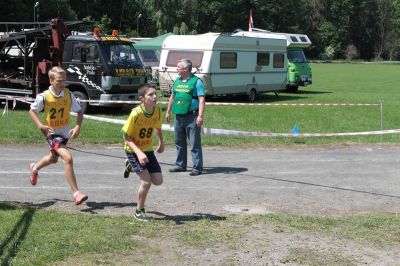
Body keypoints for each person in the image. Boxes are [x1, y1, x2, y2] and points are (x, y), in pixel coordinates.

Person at [28, 66, 88, 205]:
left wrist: (77, 126)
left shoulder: (68, 94)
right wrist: (40, 126)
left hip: (64, 133)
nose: (63, 84)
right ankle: (76, 193)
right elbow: (32, 111)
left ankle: (35, 168)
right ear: (51, 81)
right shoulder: (44, 96)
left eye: (64, 81)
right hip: (52, 135)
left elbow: (79, 112)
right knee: (67, 157)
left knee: (53, 159)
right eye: (59, 81)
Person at [122, 83, 165, 222]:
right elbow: (126, 136)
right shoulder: (136, 113)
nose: (154, 97)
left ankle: (130, 166)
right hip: (133, 149)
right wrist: (139, 153)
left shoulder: (157, 111)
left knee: (158, 181)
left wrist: (161, 142)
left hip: (148, 149)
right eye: (150, 95)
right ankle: (139, 211)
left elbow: (157, 127)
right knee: (146, 182)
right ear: (142, 98)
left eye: (155, 94)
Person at [166, 58, 205, 176]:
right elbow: (172, 97)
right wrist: (168, 112)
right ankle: (180, 165)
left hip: (192, 116)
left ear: (185, 69)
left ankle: (197, 168)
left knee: (194, 144)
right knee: (179, 142)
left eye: (178, 67)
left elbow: (202, 99)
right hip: (178, 116)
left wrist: (200, 116)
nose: (176, 69)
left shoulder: (197, 82)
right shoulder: (177, 81)